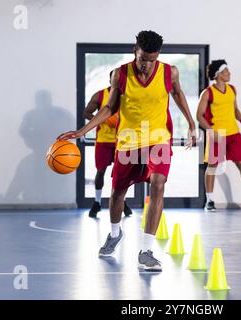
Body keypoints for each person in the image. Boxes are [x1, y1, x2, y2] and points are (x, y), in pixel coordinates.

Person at [59, 30, 196, 271]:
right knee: (117, 194)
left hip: (158, 138)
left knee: (158, 184)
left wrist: (192, 123)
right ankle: (114, 233)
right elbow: (110, 107)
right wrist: (82, 131)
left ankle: (146, 250)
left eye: (152, 59)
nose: (146, 65)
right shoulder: (120, 74)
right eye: (143, 59)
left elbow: (177, 93)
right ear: (136, 50)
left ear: (158, 56)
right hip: (129, 142)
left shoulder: (169, 72)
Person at [196, 60, 241, 212]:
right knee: (211, 167)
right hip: (217, 134)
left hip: (233, 133)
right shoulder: (208, 93)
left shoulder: (232, 89)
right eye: (226, 72)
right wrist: (211, 131)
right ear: (218, 75)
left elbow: (235, 109)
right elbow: (199, 116)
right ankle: (209, 201)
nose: (229, 73)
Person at [83, 71, 132, 218]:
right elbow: (86, 113)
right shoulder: (100, 95)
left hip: (122, 141)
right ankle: (97, 202)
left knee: (122, 175)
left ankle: (121, 201)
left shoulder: (128, 96)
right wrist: (102, 119)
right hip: (104, 140)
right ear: (110, 79)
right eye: (114, 78)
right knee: (101, 171)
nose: (117, 80)